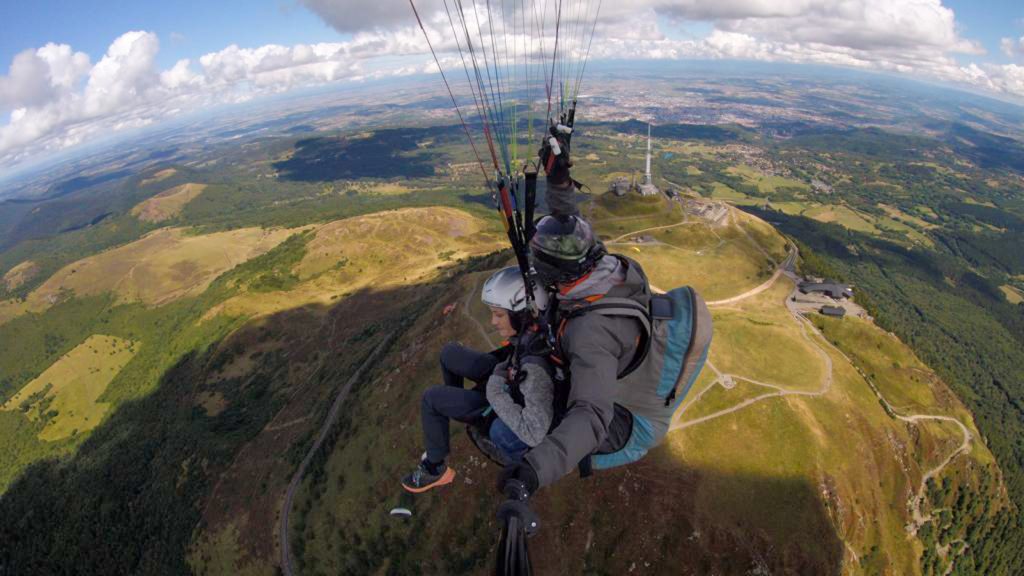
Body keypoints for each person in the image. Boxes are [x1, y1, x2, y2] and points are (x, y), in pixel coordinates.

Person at [496, 214, 652, 497]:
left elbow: (591, 414)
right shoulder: (614, 270)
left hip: (613, 415)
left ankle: (522, 452)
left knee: (500, 432)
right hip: (605, 358)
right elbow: (567, 224)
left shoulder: (588, 333)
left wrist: (534, 470)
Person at [402, 267, 554, 493]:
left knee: (431, 398)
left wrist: (495, 390)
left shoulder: (535, 369)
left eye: (499, 315)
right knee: (449, 353)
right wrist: (502, 370)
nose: (493, 321)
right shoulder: (532, 331)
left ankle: (435, 468)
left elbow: (534, 432)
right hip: (509, 378)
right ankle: (458, 406)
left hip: (508, 400)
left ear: (522, 314)